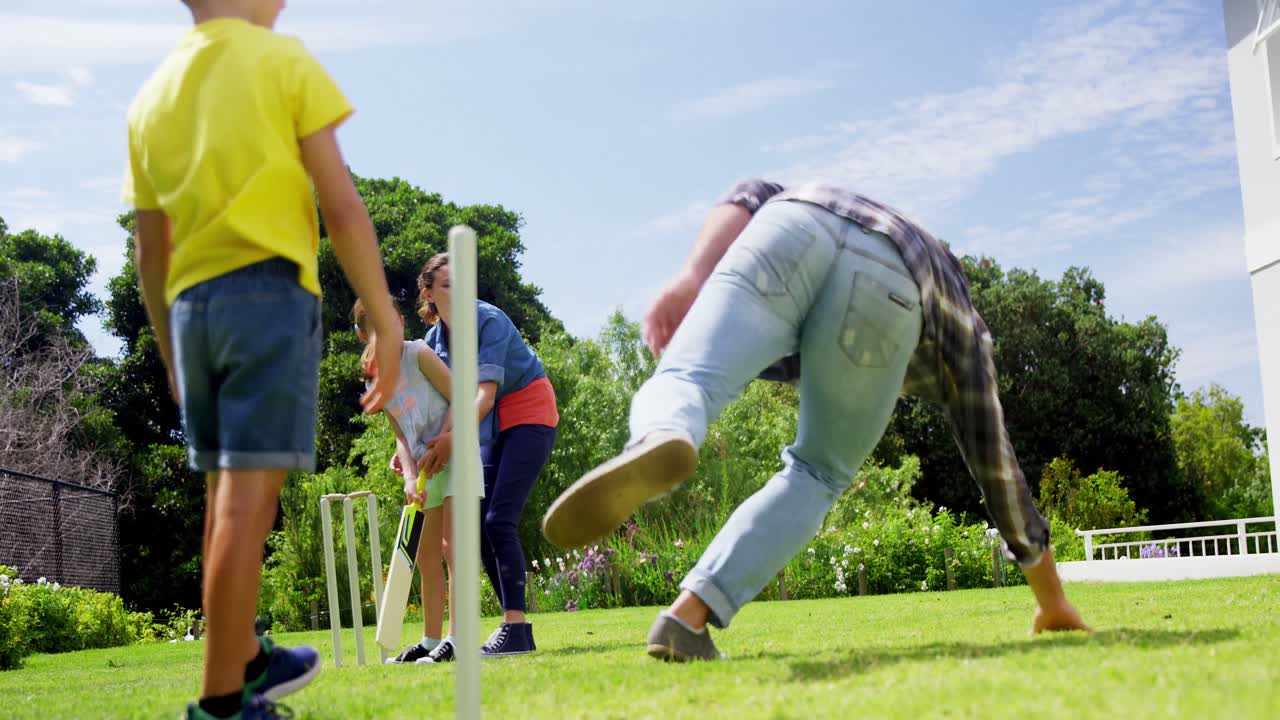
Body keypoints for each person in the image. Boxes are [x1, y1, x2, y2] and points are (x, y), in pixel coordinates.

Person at [542, 178, 1091, 662]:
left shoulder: (837, 202)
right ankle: (688, 617)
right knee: (818, 472)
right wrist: (1052, 599)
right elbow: (996, 468)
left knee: (688, 376)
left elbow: (750, 192)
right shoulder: (961, 321)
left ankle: (666, 432)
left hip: (792, 217)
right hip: (892, 283)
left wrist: (692, 276)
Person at [124, 1, 403, 717]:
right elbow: (339, 204)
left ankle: (244, 657)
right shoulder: (283, 60)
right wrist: (384, 315)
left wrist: (168, 350)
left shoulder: (151, 97)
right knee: (247, 507)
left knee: (231, 500)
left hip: (192, 312)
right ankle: (221, 705)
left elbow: (150, 251)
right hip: (268, 296)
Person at [416, 253, 559, 657]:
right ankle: (516, 628)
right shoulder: (433, 343)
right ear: (428, 294)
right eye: (447, 285)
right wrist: (416, 450)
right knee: (476, 527)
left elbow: (483, 395)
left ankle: (515, 627)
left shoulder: (488, 320)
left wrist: (450, 440)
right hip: (488, 424)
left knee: (499, 519)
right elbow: (440, 406)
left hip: (529, 411)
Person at [351, 299, 488, 666]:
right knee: (426, 556)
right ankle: (430, 640)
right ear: (365, 336)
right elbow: (399, 432)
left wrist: (445, 439)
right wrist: (410, 477)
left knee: (453, 548)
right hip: (426, 469)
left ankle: (458, 639)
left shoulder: (420, 354)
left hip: (455, 450)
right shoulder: (377, 379)